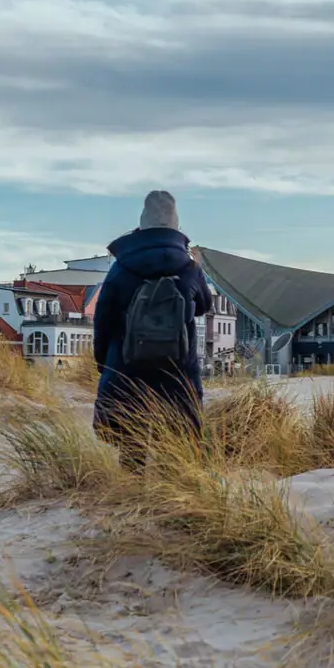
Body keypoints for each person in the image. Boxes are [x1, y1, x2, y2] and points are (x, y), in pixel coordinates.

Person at [93, 191, 213, 469]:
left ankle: (133, 502)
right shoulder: (190, 267)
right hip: (179, 372)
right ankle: (173, 505)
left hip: (127, 369)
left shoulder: (121, 268)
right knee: (178, 451)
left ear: (142, 224)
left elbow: (103, 321)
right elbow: (203, 306)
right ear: (176, 225)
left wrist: (104, 364)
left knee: (132, 448)